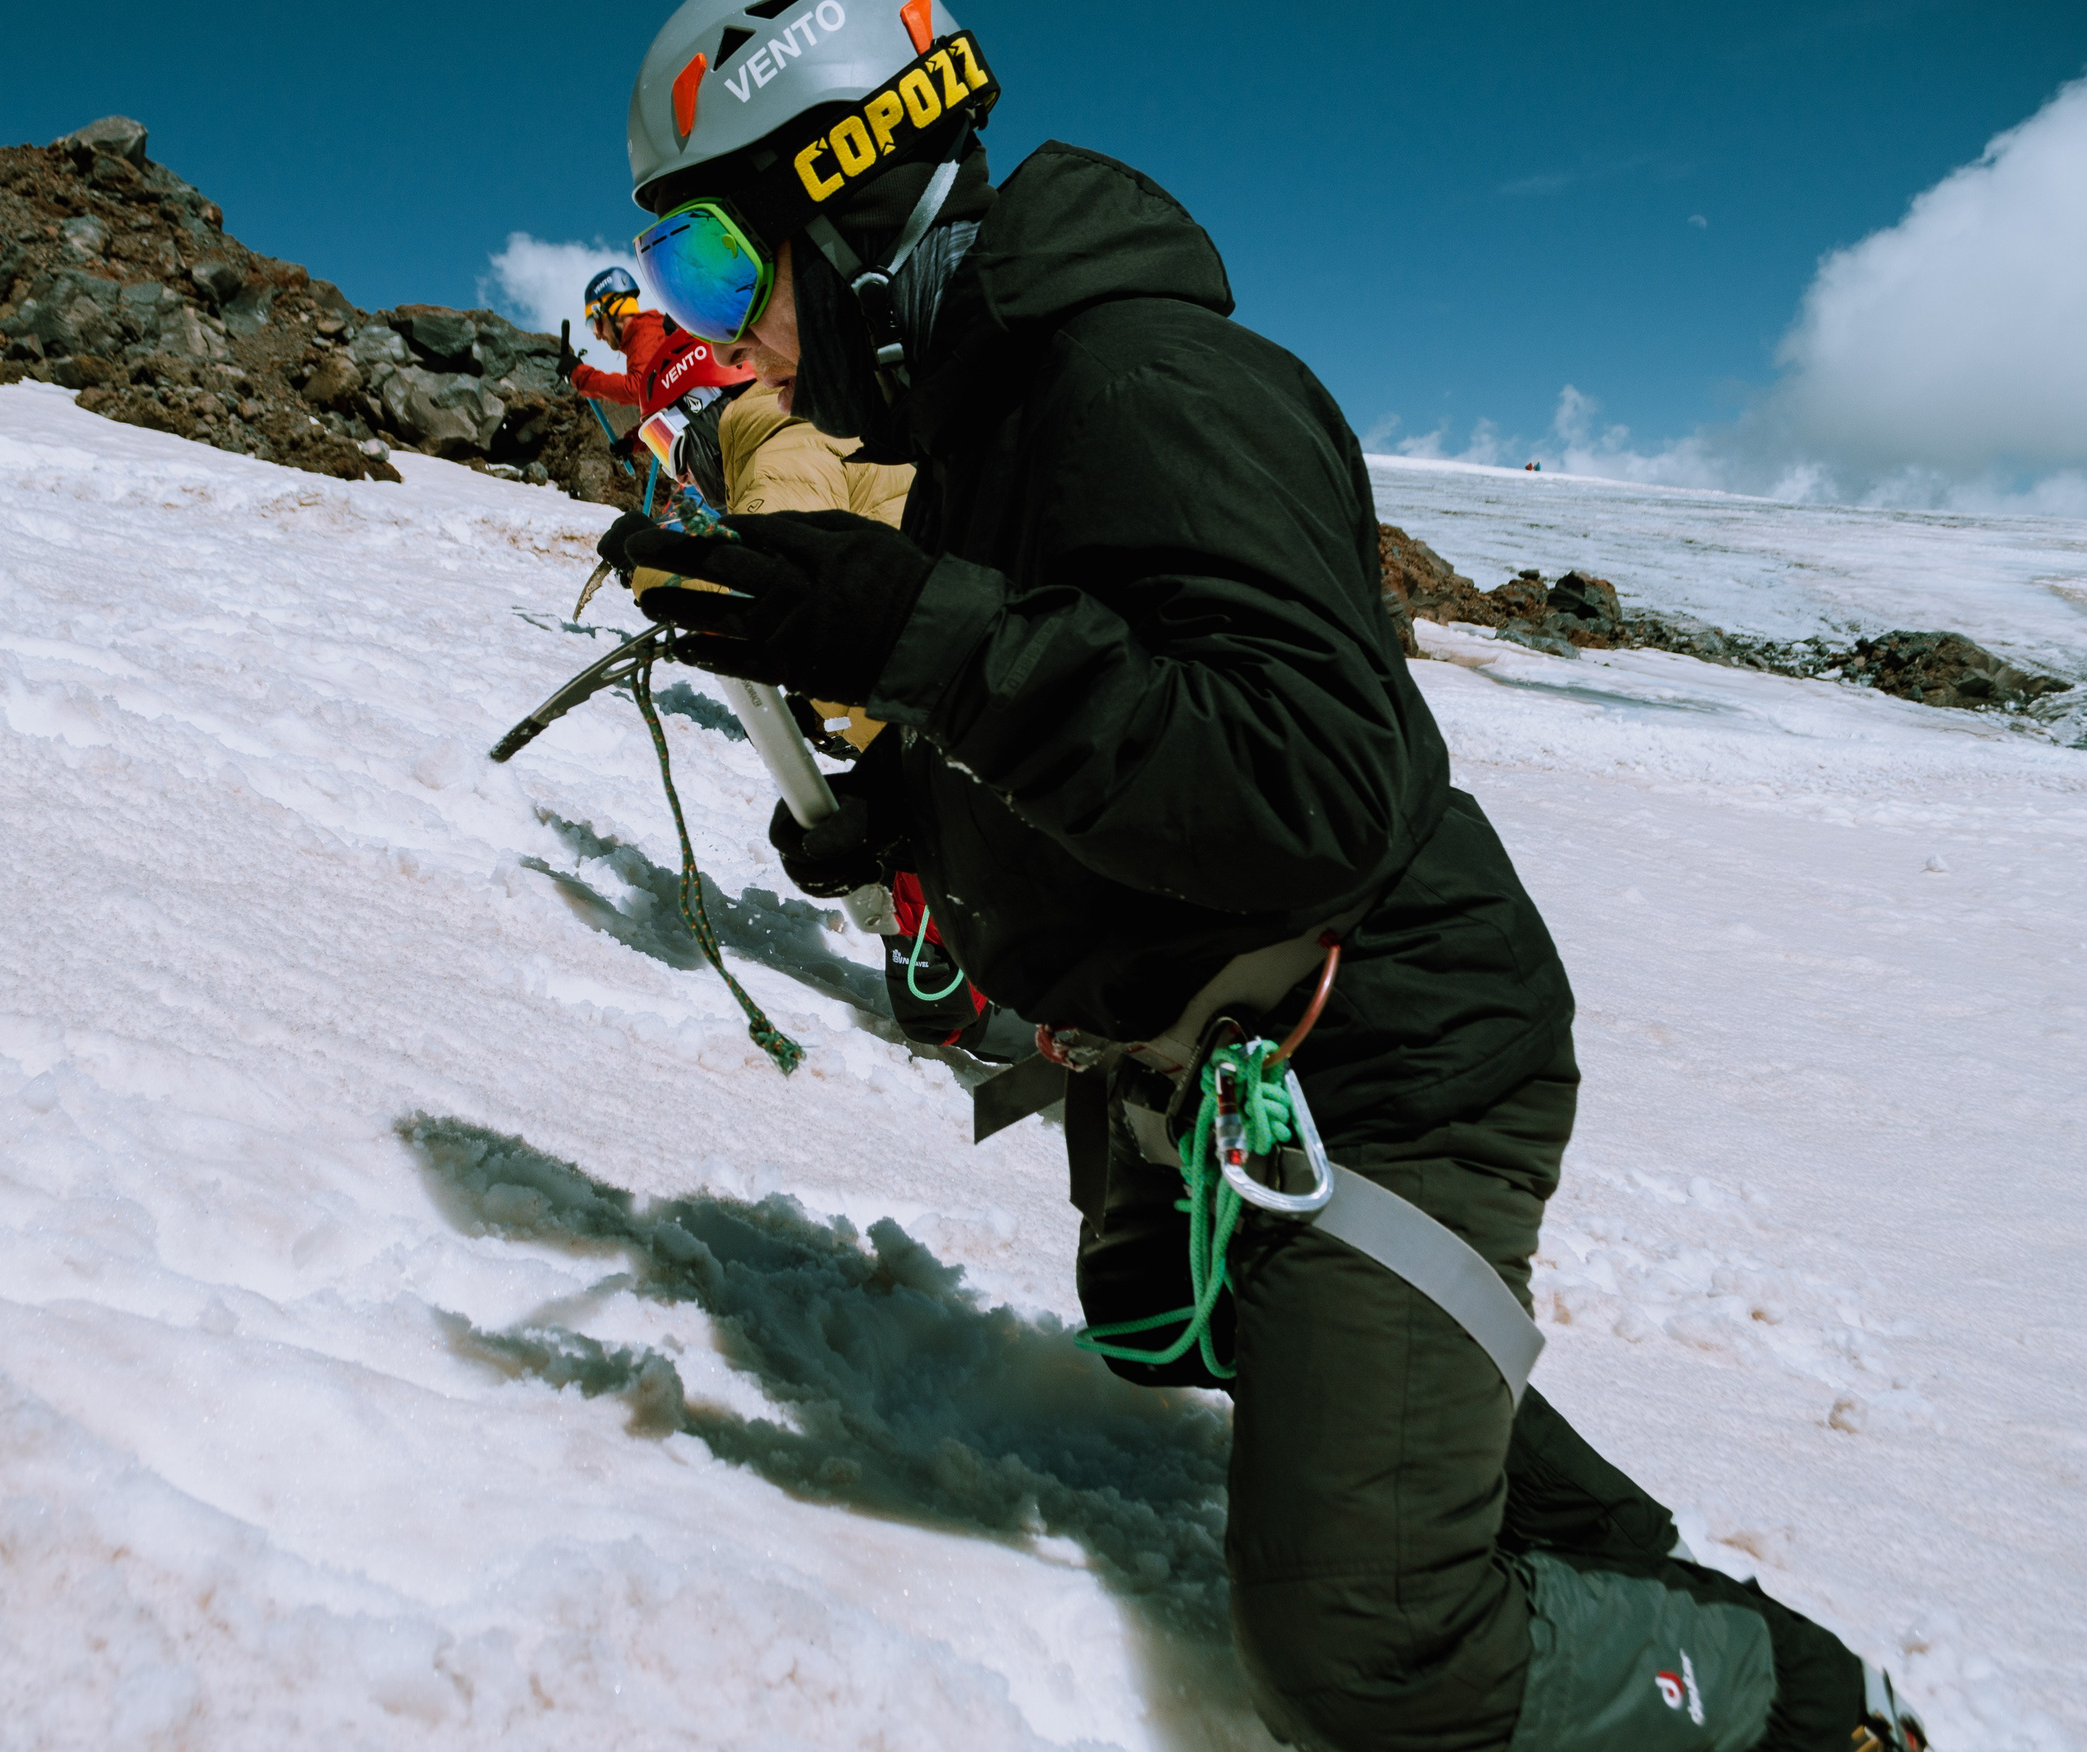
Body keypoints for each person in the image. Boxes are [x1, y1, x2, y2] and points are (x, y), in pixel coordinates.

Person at [591, 5, 1931, 1750]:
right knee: (1156, 1314)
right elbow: (1096, 684)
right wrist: (902, 818)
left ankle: (1808, 1707)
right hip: (1227, 1041)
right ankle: (1540, 1509)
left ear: (843, 189)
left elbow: (1306, 780)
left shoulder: (1140, 382)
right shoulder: (992, 415)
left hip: (1389, 1041)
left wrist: (923, 633)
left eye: (708, 262)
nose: (722, 335)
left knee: (1370, 1661)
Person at [630, 374, 1032, 1061]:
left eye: (668, 443)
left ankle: (993, 1012)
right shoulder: (836, 415)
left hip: (924, 703)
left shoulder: (765, 426)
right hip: (954, 683)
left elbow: (757, 561)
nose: (680, 467)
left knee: (928, 901)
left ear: (702, 411)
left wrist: (653, 567)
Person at [568, 265, 751, 417]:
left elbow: (640, 390)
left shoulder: (645, 332)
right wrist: (633, 442)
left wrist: (578, 375)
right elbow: (668, 404)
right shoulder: (647, 334)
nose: (597, 335)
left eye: (595, 325)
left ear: (611, 311)